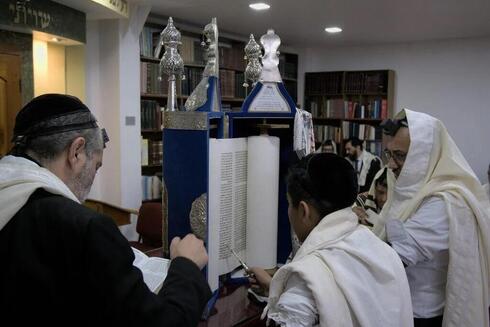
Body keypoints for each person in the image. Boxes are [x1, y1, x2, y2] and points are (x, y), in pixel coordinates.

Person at [0, 94, 212, 326]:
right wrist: (187, 267)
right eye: (97, 166)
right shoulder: (87, 228)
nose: (91, 181)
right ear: (77, 151)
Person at [250, 153, 413, 327]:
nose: (289, 211)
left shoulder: (307, 277)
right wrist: (274, 285)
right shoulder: (385, 252)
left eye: (290, 204)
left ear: (304, 211)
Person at [373, 109, 490, 327]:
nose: (391, 164)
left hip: (421, 316)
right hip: (398, 307)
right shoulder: (409, 190)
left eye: (400, 155)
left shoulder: (445, 202)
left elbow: (394, 257)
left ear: (424, 155)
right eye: (390, 154)